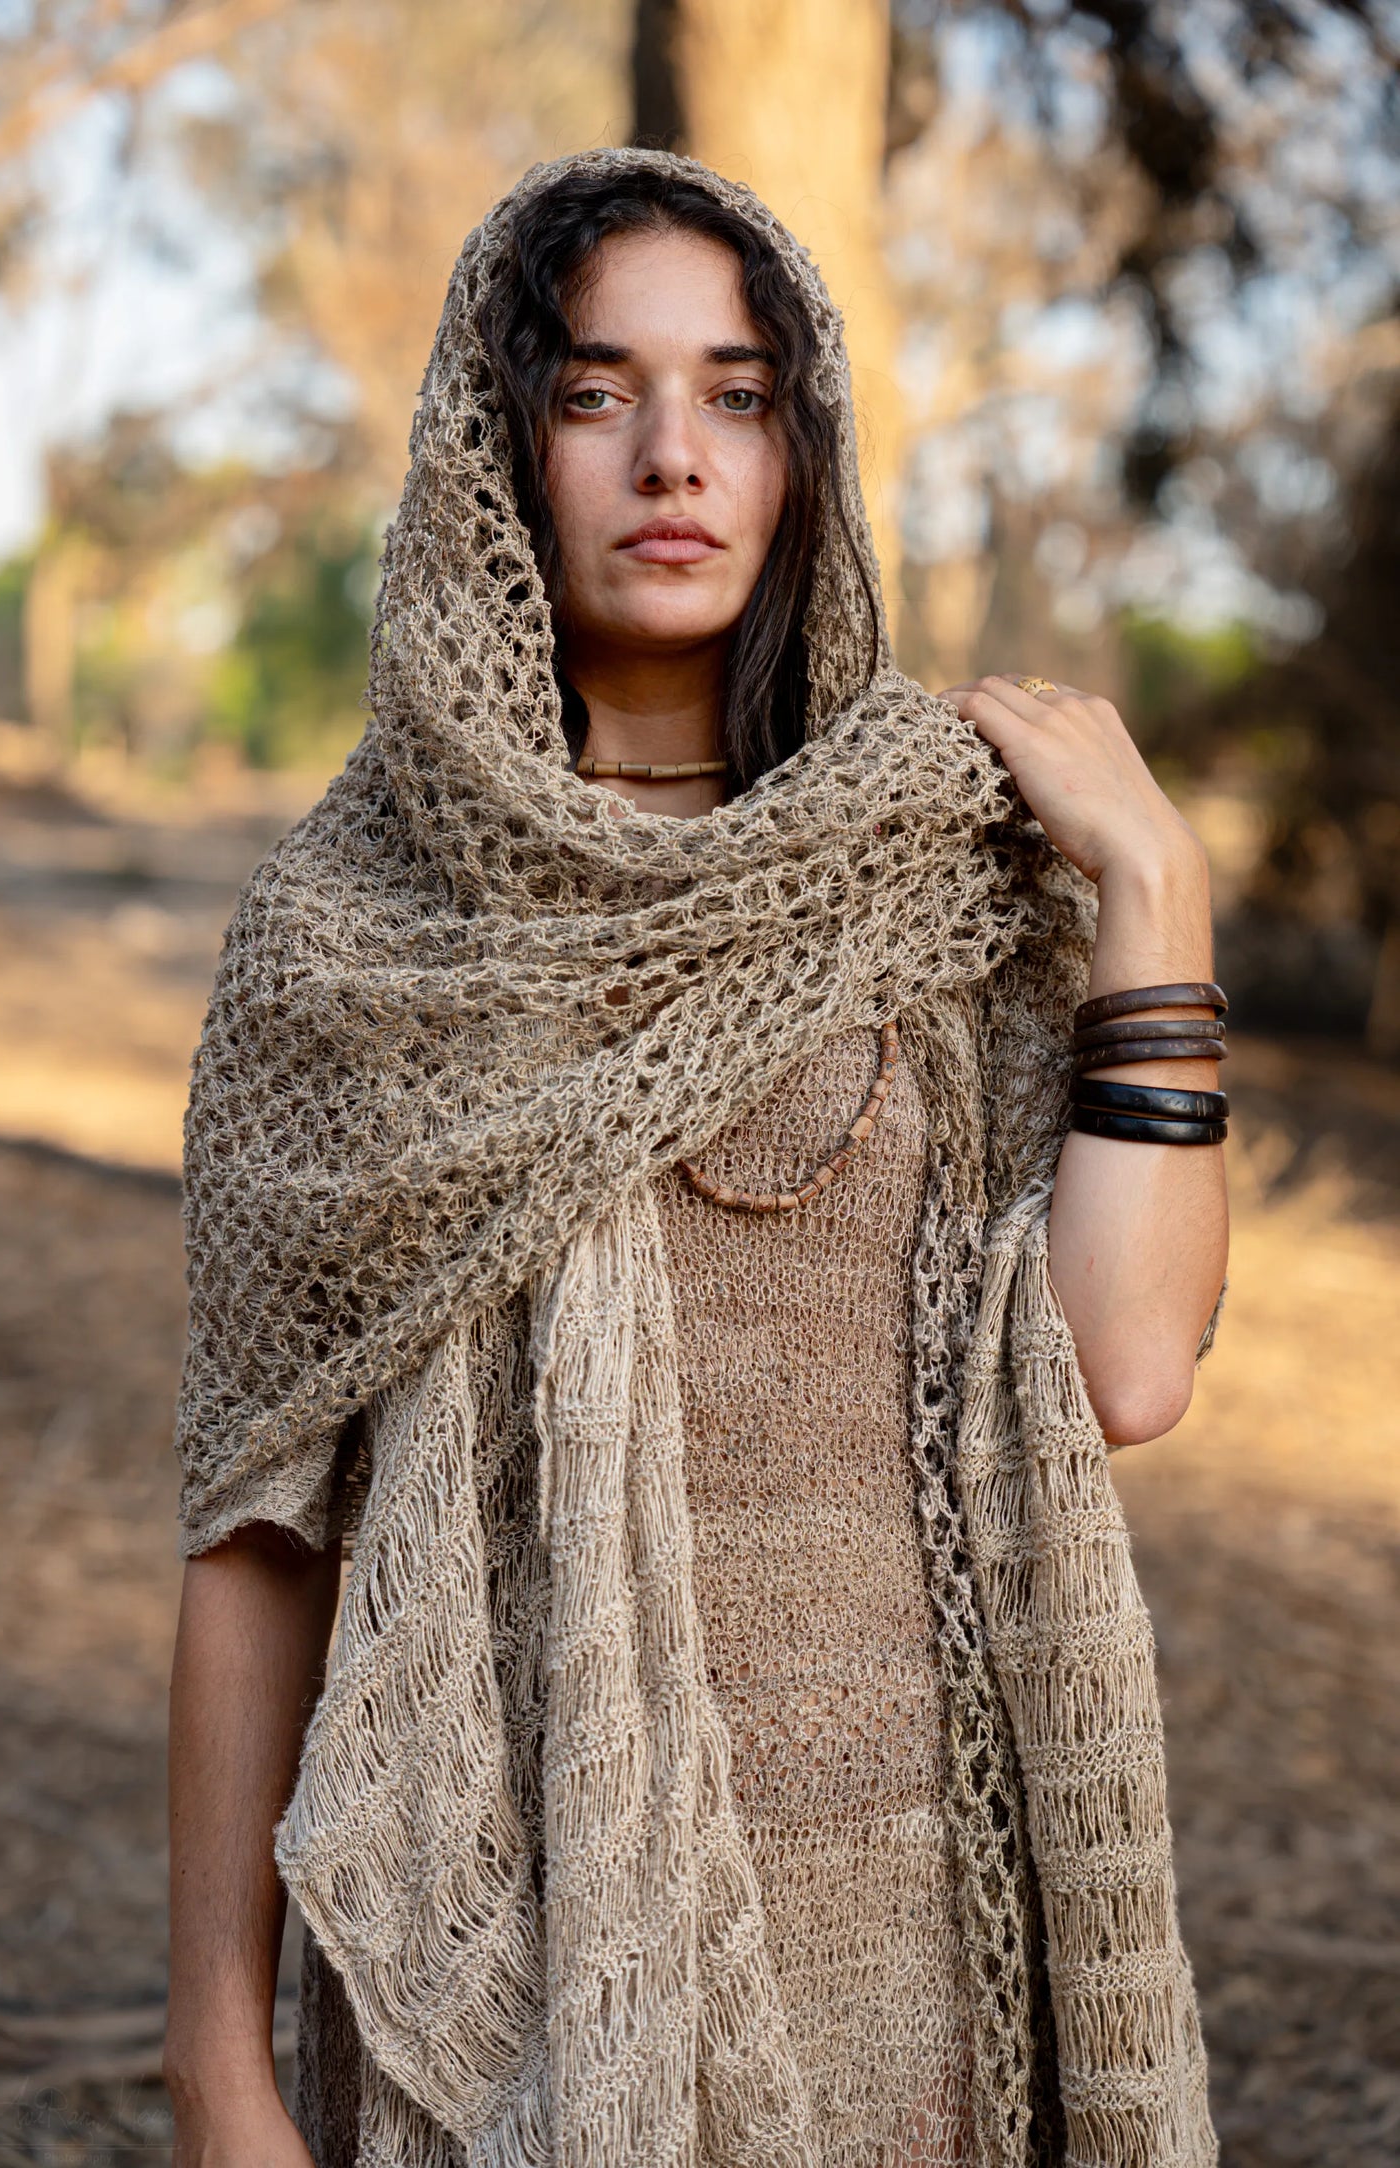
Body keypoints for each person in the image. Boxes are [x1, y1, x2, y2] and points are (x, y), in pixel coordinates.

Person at [164, 151, 1227, 2168]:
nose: (675, 454)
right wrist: (214, 2056)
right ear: (502, 452)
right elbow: (252, 1525)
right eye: (597, 391)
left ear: (800, 454)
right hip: (548, 1950)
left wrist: (1154, 888)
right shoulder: (354, 936)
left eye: (740, 395)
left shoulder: (937, 874)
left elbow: (1127, 1371)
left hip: (928, 1933)